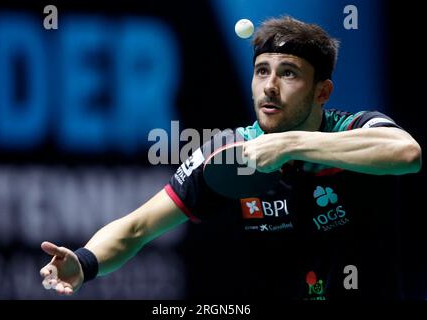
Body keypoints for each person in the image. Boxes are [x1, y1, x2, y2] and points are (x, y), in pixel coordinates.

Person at [40, 16, 422, 300]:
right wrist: (84, 261)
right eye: (261, 71)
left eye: (288, 74)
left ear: (323, 92)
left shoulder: (355, 127)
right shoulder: (229, 152)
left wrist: (292, 145)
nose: (269, 86)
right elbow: (137, 227)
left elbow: (406, 152)